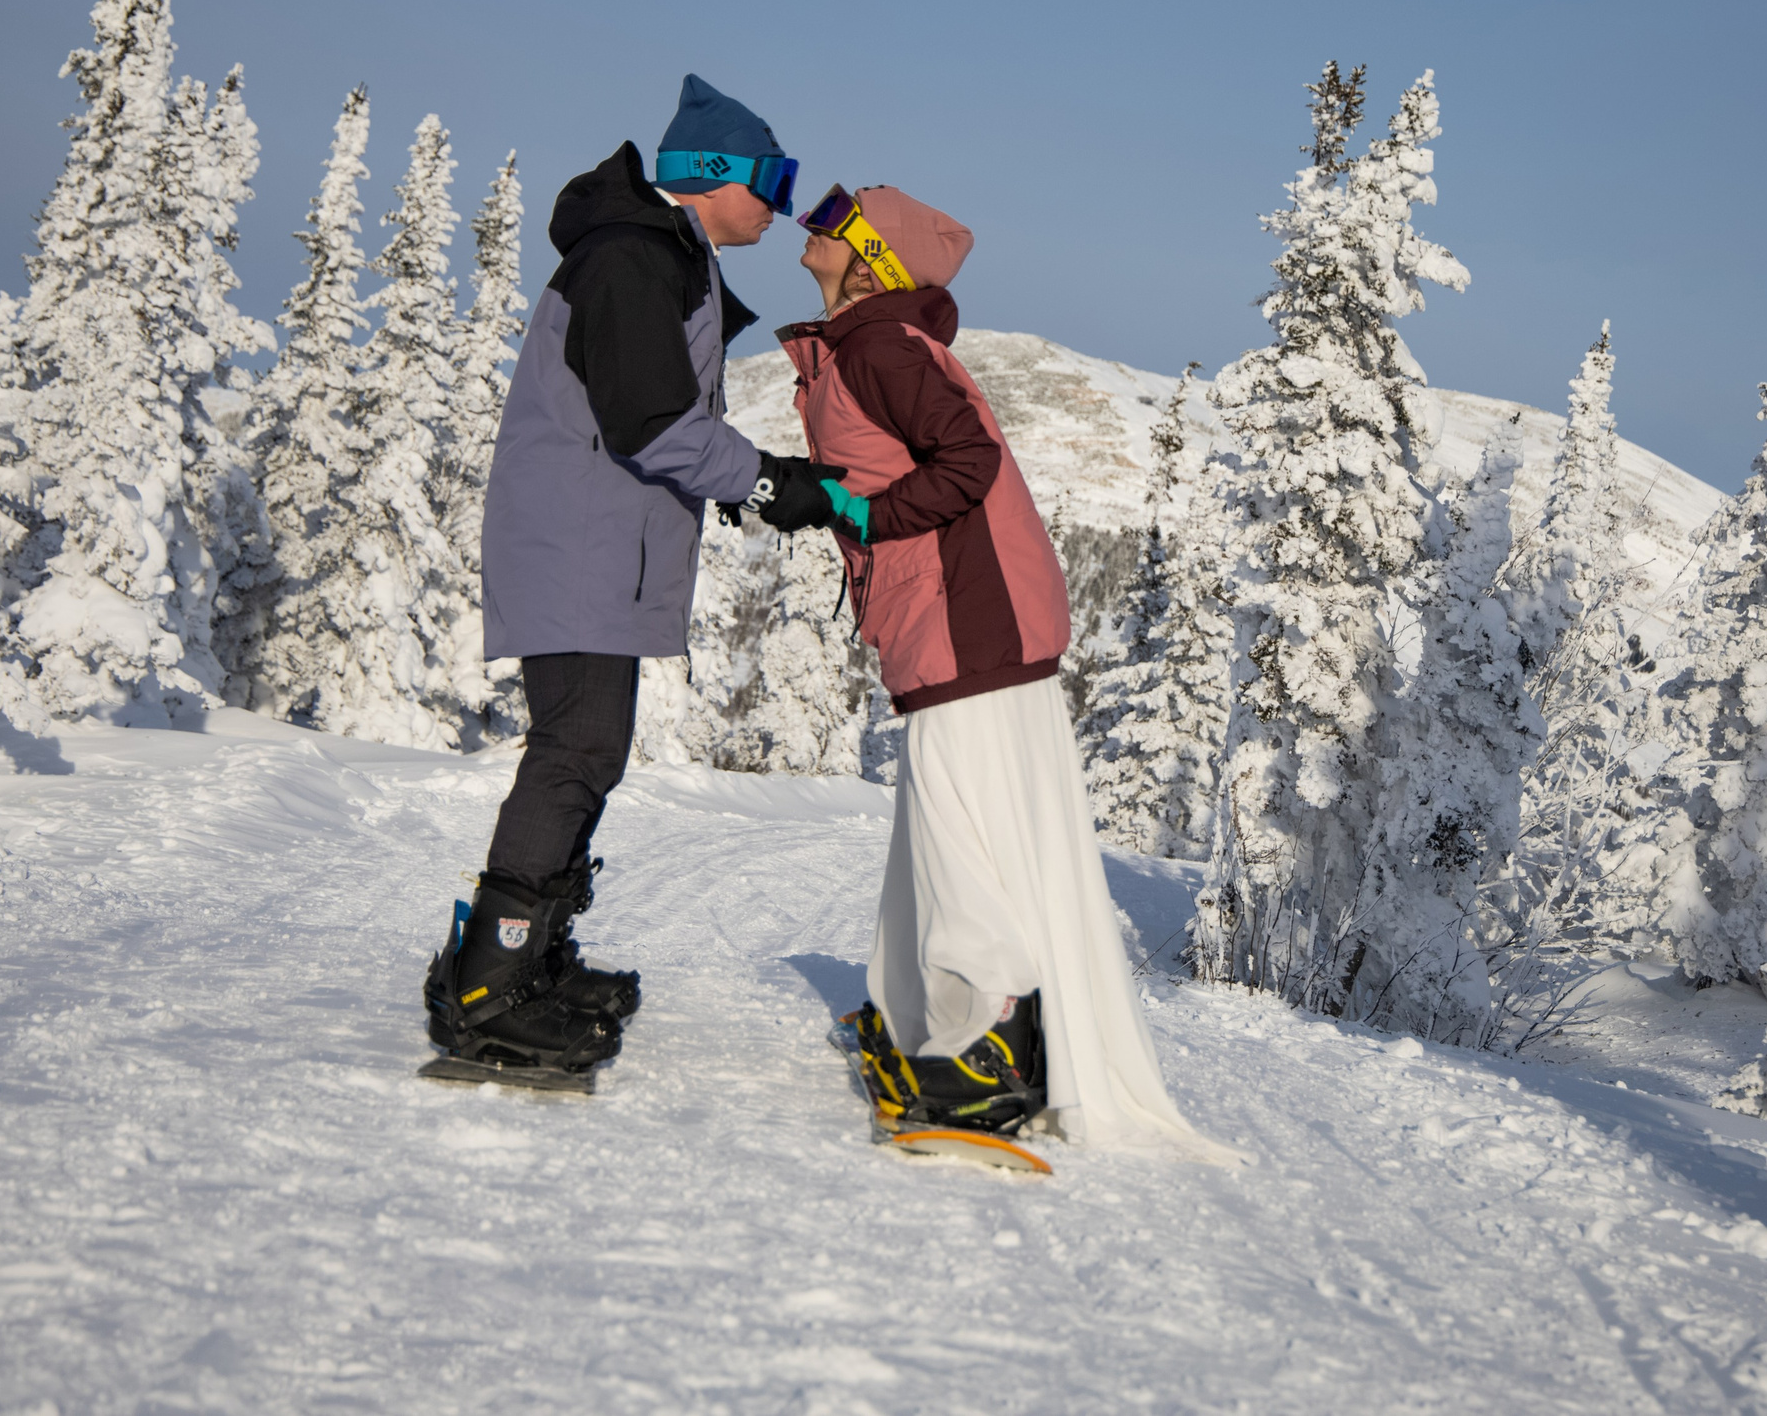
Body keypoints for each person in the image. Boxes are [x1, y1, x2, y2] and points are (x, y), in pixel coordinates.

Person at [780, 183, 1234, 1161]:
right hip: (960, 620)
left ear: (869, 258)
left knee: (959, 833)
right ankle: (919, 1025)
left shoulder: (879, 346)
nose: (812, 226)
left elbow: (968, 462)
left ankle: (985, 1054)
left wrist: (857, 516)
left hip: (965, 621)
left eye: (835, 219)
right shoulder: (874, 343)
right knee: (934, 827)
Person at [422, 76, 849, 1083]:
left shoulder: (653, 256)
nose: (783, 202)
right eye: (774, 181)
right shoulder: (631, 258)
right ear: (714, 176)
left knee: (589, 749)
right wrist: (767, 480)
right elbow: (650, 420)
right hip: (579, 543)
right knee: (575, 750)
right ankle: (491, 985)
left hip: (593, 544)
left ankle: (531, 961)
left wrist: (755, 482)